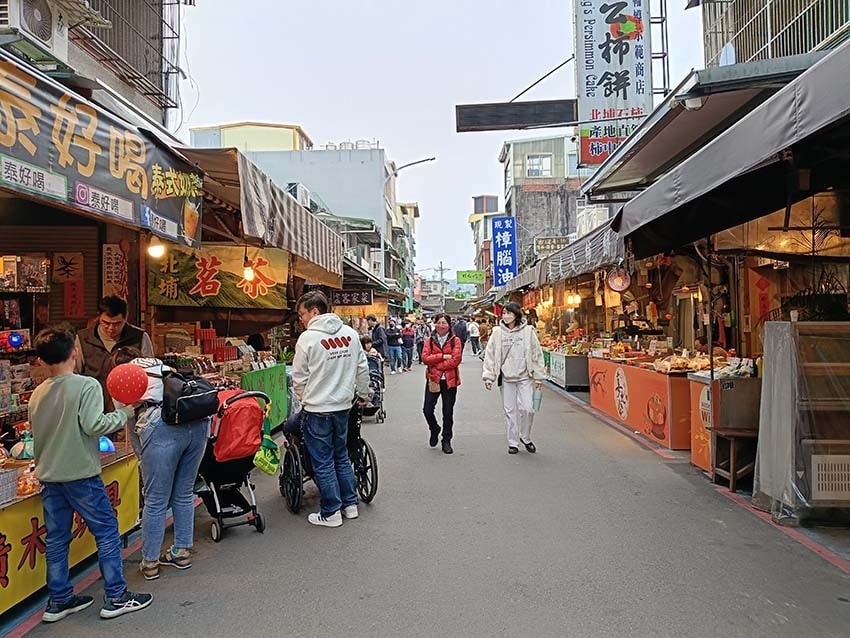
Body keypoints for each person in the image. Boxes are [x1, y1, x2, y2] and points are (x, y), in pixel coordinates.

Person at [29, 328, 153, 622]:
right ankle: (116, 595)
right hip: (81, 475)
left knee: (57, 539)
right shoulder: (86, 386)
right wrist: (125, 412)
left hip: (49, 476)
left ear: (42, 360)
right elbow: (94, 425)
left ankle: (59, 600)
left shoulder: (38, 393)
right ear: (75, 351)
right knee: (107, 531)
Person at [110, 347, 209, 582]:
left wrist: (142, 459)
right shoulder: (162, 366)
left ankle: (151, 562)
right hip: (197, 425)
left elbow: (129, 423)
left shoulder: (122, 377)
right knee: (184, 492)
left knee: (155, 499)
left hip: (161, 428)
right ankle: (182, 552)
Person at [292, 291, 371, 528]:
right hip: (343, 407)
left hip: (318, 409)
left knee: (323, 461)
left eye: (302, 314)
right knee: (342, 455)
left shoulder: (307, 339)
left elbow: (299, 378)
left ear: (315, 311)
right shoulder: (350, 334)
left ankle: (331, 512)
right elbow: (362, 367)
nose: (302, 319)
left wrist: (304, 399)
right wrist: (364, 394)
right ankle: (350, 505)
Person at [482, 302, 546, 455]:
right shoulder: (497, 332)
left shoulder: (528, 331)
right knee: (509, 411)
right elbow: (490, 355)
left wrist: (539, 377)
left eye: (508, 313)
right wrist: (488, 377)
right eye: (503, 313)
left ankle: (525, 437)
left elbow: (536, 354)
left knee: (528, 408)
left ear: (516, 314)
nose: (505, 316)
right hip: (506, 378)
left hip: (525, 376)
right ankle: (513, 442)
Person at [75, 296, 154, 410]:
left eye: (117, 323)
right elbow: (75, 373)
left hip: (129, 407)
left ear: (126, 318)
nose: (111, 328)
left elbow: (150, 373)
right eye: (106, 323)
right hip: (93, 405)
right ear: (99, 317)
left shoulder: (139, 337)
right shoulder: (84, 338)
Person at [422, 313, 463, 455]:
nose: (441, 325)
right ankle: (434, 428)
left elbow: (456, 359)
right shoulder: (429, 340)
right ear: (435, 324)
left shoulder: (455, 340)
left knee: (448, 412)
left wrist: (438, 365)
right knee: (427, 409)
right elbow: (425, 358)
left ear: (449, 325)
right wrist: (443, 356)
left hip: (450, 381)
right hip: (433, 379)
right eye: (439, 322)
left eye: (444, 323)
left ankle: (446, 440)